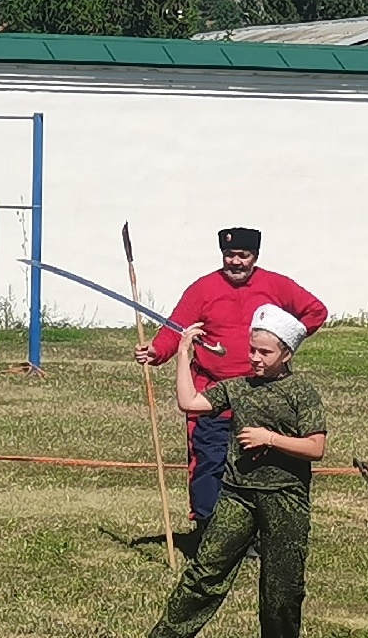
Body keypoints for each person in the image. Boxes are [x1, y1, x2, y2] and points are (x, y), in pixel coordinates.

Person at [129, 304, 328, 638]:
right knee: (206, 574)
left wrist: (270, 439)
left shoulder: (302, 392)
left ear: (286, 353)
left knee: (281, 586)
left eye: (264, 352)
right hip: (237, 496)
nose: (254, 357)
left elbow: (316, 448)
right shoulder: (237, 388)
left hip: (285, 498)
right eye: (252, 349)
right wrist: (184, 353)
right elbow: (190, 403)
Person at [136, 228, 327, 539]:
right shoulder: (202, 289)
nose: (235, 261)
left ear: (255, 257)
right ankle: (209, 532)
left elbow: (316, 311)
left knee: (257, 465)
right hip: (212, 393)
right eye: (229, 255)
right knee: (209, 463)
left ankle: (253, 533)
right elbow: (176, 329)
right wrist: (156, 351)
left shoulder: (276, 285)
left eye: (243, 255)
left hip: (260, 394)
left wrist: (286, 340)